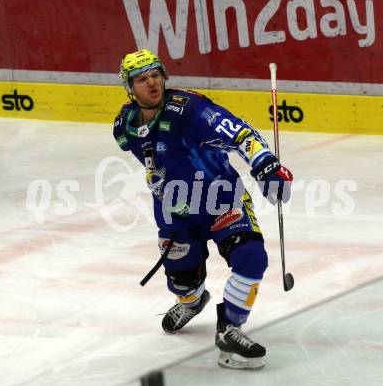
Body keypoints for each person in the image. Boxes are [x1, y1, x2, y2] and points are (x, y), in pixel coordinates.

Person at [113, 49, 293, 369]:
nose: (152, 83)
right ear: (129, 87)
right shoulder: (124, 126)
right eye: (142, 79)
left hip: (222, 197)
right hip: (174, 211)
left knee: (252, 258)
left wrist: (266, 166)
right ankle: (192, 302)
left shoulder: (190, 109)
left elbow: (239, 133)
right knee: (183, 282)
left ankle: (230, 328)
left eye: (156, 75)